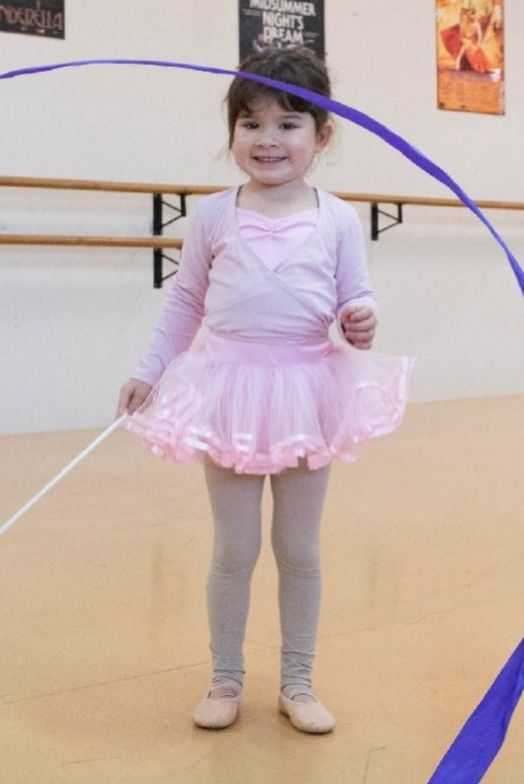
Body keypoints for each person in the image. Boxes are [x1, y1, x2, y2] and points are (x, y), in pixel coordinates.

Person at [116, 47, 413, 734]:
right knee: (235, 548)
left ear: (322, 135)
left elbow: (356, 297)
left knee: (299, 549)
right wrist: (149, 370)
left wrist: (360, 320)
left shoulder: (337, 219)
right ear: (233, 131)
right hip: (229, 394)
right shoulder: (212, 216)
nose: (267, 139)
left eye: (287, 124)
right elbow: (184, 302)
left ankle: (298, 682)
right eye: (250, 123)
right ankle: (225, 678)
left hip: (308, 394)